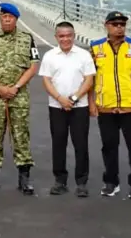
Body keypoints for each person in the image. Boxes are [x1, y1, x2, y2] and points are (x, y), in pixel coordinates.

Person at [0, 2, 40, 195]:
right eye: (3, 16)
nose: (6, 19)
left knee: (21, 136)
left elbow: (33, 66)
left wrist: (15, 87)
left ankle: (24, 179)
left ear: (16, 19)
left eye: (10, 17)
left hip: (18, 97)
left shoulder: (27, 39)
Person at [89, 11, 131, 199]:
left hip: (130, 106)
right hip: (105, 105)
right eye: (115, 24)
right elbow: (90, 77)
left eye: (122, 25)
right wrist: (92, 103)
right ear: (106, 25)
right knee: (109, 146)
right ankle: (111, 182)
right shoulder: (95, 47)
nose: (119, 28)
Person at [39, 21, 95, 197]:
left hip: (80, 107)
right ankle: (60, 180)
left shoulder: (84, 55)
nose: (65, 39)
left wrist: (74, 97)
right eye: (61, 36)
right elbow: (46, 80)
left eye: (68, 35)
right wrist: (60, 99)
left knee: (81, 144)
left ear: (74, 35)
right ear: (56, 37)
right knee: (58, 143)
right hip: (57, 107)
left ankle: (81, 182)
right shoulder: (49, 56)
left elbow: (89, 80)